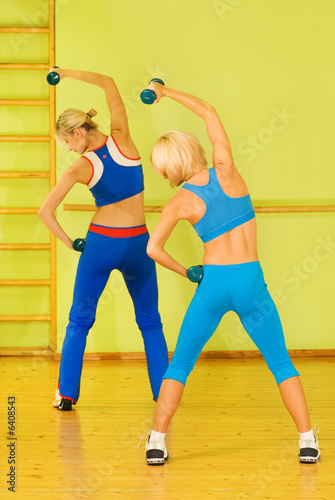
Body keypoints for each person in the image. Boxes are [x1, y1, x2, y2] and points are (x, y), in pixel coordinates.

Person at [142, 81, 320, 465]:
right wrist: (165, 90)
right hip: (251, 282)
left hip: (214, 283)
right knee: (280, 362)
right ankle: (307, 441)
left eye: (161, 168)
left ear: (169, 165)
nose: (161, 175)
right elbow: (208, 110)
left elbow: (152, 249)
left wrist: (188, 271)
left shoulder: (177, 203)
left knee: (180, 364)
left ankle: (156, 442)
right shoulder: (228, 170)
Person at [38, 68, 169, 410]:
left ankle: (66, 395)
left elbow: (45, 213)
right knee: (150, 321)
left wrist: (71, 243)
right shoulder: (122, 138)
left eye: (68, 142)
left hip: (100, 244)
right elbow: (109, 82)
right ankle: (164, 393)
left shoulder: (80, 167)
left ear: (79, 132)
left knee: (79, 320)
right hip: (139, 244)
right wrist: (63, 73)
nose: (69, 149)